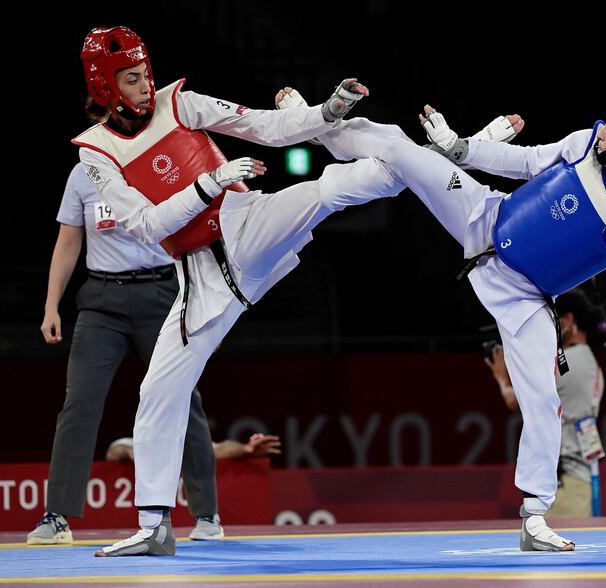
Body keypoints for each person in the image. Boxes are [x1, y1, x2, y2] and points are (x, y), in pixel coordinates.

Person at [286, 80, 606, 551]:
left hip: (523, 297)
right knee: (398, 148)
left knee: (544, 399)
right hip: (483, 216)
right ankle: (313, 123)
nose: (602, 128)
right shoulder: (588, 143)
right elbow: (526, 162)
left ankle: (533, 517)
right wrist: (463, 150)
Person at [74, 26, 405, 557]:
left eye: (145, 74)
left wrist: (325, 112)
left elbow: (263, 126)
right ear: (105, 86)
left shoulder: (179, 103)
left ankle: (414, 165)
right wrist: (207, 182)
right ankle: (154, 523)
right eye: (131, 79)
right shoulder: (95, 152)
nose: (145, 86)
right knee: (159, 391)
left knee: (322, 191)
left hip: (245, 230)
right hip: (200, 282)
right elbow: (144, 227)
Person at [27, 165, 223, 546]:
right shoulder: (84, 173)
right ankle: (57, 517)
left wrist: (209, 309)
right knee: (79, 403)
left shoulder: (161, 161)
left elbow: (200, 236)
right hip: (102, 301)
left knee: (182, 398)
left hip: (165, 293)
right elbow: (68, 241)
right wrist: (51, 305)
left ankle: (206, 514)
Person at [485, 289, 604, 518]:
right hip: (578, 479)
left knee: (550, 550)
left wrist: (502, 377)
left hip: (566, 484)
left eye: (554, 320)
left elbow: (516, 400)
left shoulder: (569, 361)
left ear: (568, 320)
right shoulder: (588, 359)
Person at [106, 432, 282, 462]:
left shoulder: (181, 445)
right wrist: (132, 452)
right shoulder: (138, 444)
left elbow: (220, 448)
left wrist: (246, 449)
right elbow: (115, 450)